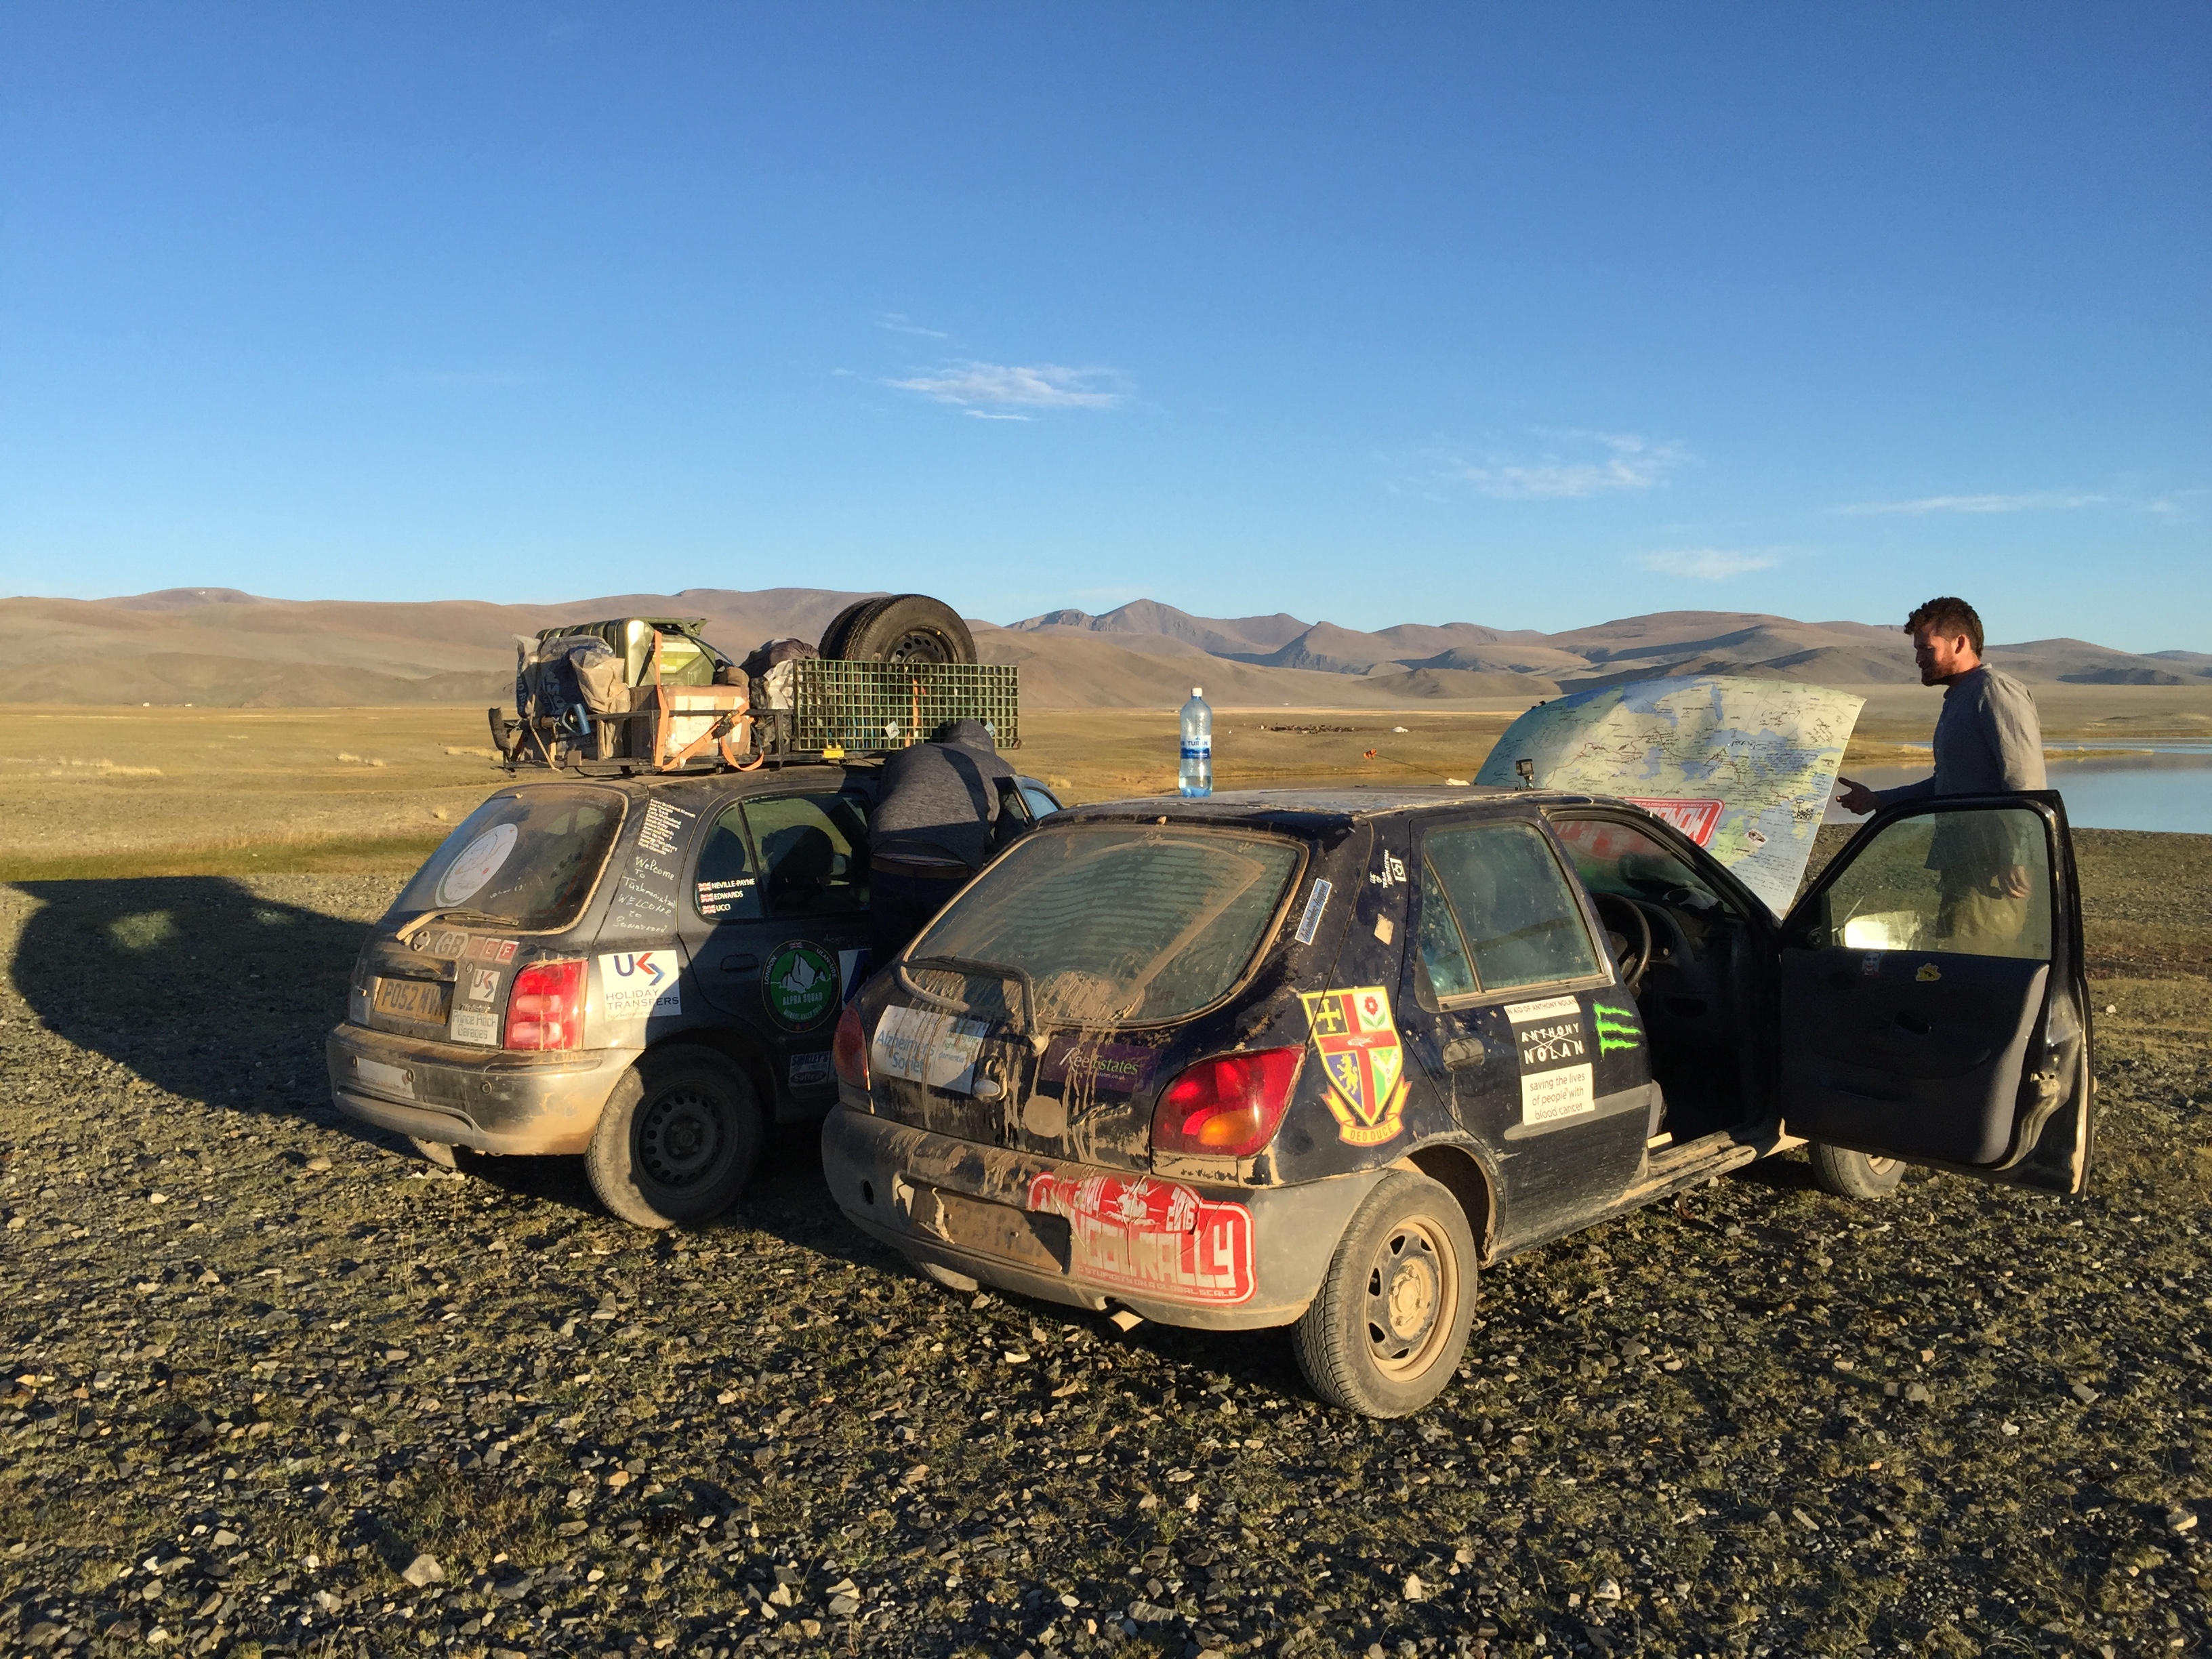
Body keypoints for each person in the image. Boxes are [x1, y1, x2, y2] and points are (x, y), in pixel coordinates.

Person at [1835, 596, 2047, 949]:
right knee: (1953, 958)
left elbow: (2024, 781)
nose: (1918, 659)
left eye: (1926, 648)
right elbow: (1947, 784)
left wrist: (2016, 856)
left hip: (1991, 873)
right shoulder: (1962, 696)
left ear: (1960, 643)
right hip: (1966, 867)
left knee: (1973, 962)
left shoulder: (1994, 691)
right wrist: (1879, 800)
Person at [867, 718, 1019, 958]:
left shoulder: (909, 754)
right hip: (949, 871)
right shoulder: (1001, 768)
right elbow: (1012, 841)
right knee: (944, 962)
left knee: (888, 961)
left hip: (888, 859)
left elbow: (886, 796)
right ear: (988, 746)